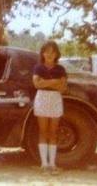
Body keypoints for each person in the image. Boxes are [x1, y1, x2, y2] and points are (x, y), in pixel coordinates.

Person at [32, 40, 67, 175]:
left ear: (56, 54)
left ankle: (52, 163)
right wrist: (54, 82)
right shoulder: (38, 68)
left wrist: (45, 82)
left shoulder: (60, 69)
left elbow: (63, 87)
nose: (49, 54)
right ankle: (44, 164)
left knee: (53, 132)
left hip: (55, 99)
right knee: (43, 131)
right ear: (42, 53)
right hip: (42, 99)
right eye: (47, 52)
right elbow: (37, 85)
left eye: (52, 52)